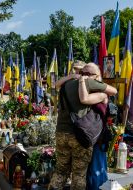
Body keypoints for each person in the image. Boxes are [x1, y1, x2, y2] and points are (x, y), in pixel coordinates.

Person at [49, 62, 117, 190]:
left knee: (61, 170)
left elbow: (55, 85)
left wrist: (71, 76)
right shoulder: (90, 82)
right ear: (94, 75)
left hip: (61, 132)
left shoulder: (66, 84)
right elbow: (114, 91)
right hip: (79, 135)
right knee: (79, 174)